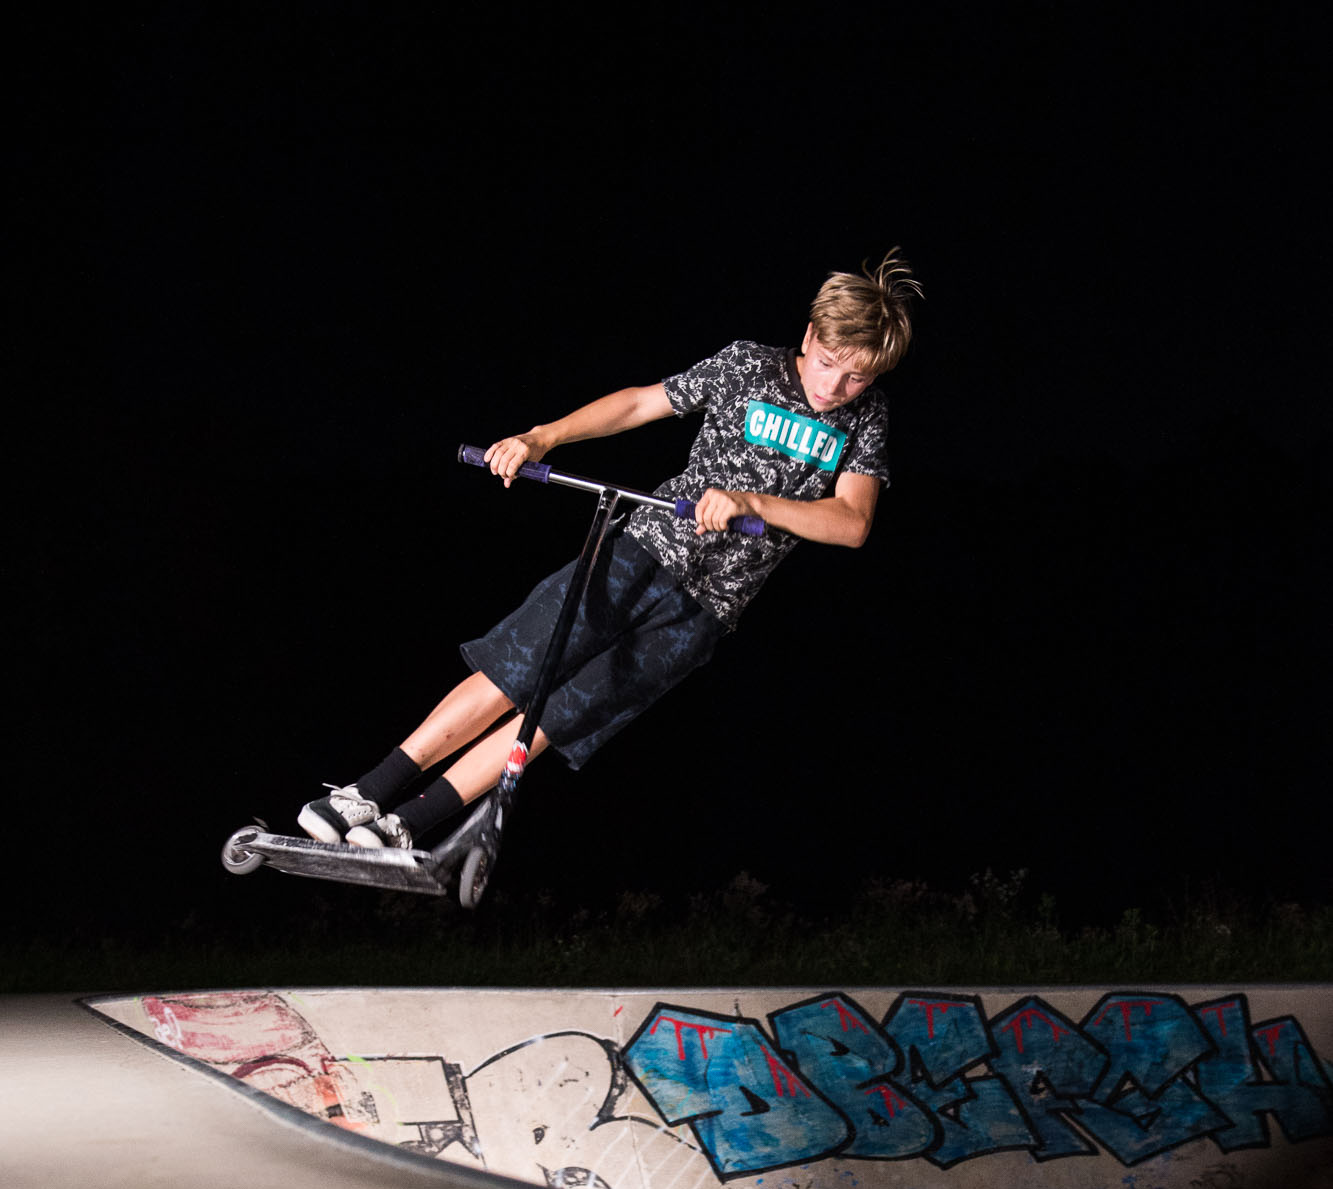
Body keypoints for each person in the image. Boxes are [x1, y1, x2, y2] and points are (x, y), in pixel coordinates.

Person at [298, 251, 922, 850]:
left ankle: (404, 824)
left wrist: (752, 503)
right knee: (519, 671)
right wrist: (543, 437)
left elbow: (851, 522)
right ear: (810, 336)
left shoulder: (867, 417)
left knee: (557, 718)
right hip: (643, 551)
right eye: (829, 363)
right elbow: (641, 402)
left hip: (706, 608)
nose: (836, 386)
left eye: (858, 376)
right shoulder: (747, 366)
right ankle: (362, 796)